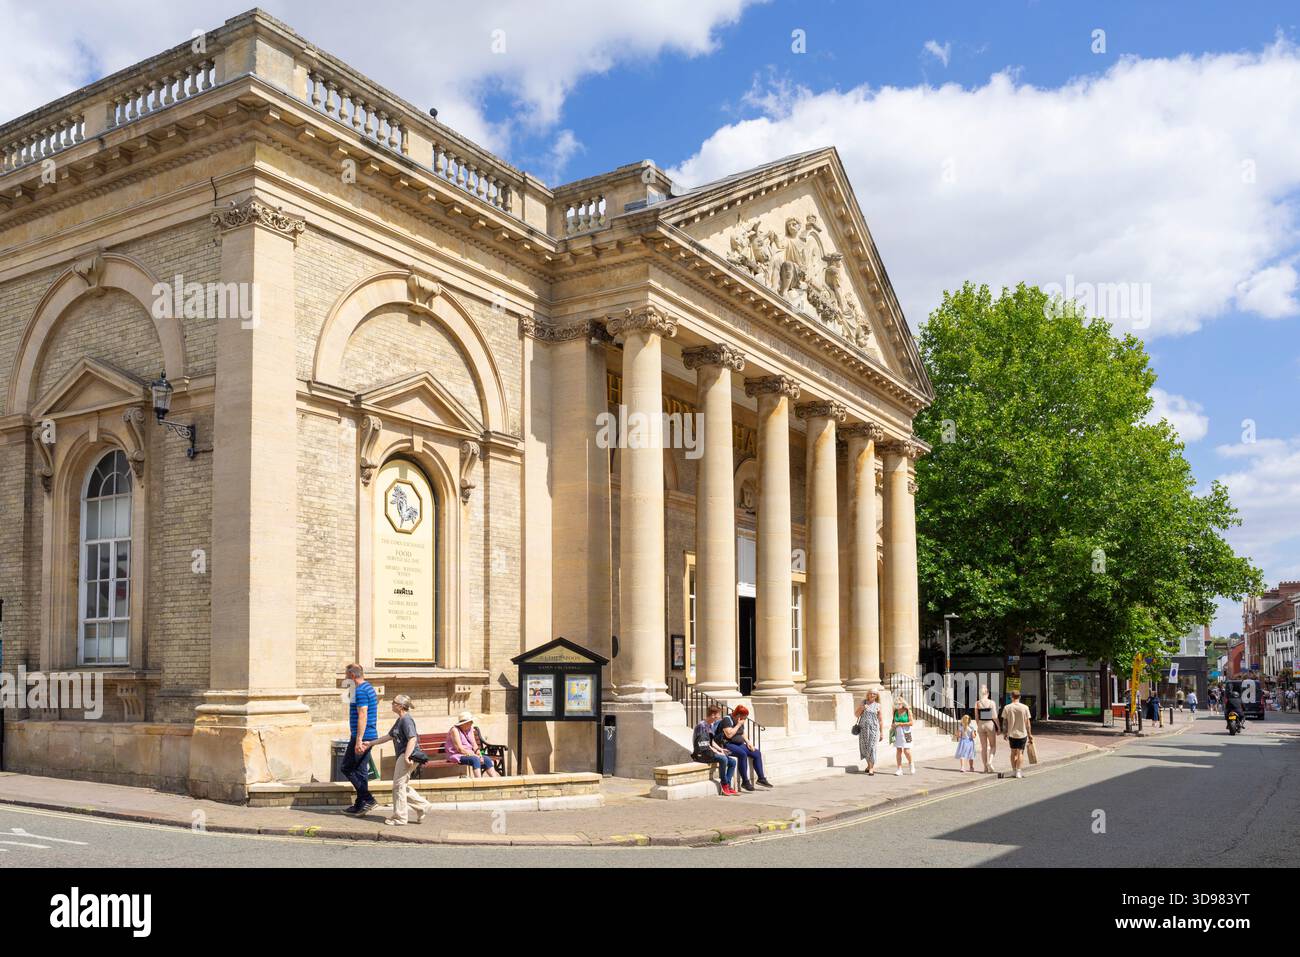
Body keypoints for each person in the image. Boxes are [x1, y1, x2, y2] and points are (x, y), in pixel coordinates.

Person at [361, 694, 432, 826]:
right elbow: (389, 736)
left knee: (398, 786)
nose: (392, 704)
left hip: (407, 755)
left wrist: (406, 756)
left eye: (394, 702)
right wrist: (371, 743)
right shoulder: (400, 720)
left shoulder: (406, 720)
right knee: (401, 785)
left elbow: (413, 738)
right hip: (406, 755)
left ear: (400, 706)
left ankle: (400, 817)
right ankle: (423, 806)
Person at [341, 663, 379, 815]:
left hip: (363, 737)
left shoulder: (361, 691)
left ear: (351, 676)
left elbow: (362, 714)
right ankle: (360, 804)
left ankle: (368, 799)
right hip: (367, 735)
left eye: (346, 675)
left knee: (346, 767)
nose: (344, 678)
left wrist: (358, 740)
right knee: (361, 771)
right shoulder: (368, 687)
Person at [715, 705, 772, 790]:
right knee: (742, 754)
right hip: (727, 744)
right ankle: (745, 782)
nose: (745, 719)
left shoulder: (740, 720)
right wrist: (738, 724)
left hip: (738, 744)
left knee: (756, 753)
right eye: (744, 717)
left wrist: (749, 743)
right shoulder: (727, 720)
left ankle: (761, 778)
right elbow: (729, 735)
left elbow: (742, 733)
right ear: (738, 715)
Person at [692, 705, 739, 795]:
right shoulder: (701, 726)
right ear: (713, 715)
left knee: (732, 762)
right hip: (701, 754)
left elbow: (711, 741)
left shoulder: (710, 725)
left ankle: (728, 785)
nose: (719, 717)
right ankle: (724, 784)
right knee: (723, 759)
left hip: (708, 751)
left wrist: (720, 749)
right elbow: (704, 744)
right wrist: (717, 752)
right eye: (718, 715)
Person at [445, 711, 500, 778]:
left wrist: (479, 754)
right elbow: (459, 749)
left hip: (470, 754)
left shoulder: (470, 729)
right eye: (470, 722)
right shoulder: (454, 730)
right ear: (463, 723)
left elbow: (474, 744)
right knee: (475, 759)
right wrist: (475, 756)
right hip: (457, 755)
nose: (472, 723)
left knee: (487, 759)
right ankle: (478, 783)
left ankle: (495, 781)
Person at [1001, 690, 1032, 778]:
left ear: (1011, 696)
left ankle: (1014, 771)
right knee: (1020, 753)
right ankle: (1019, 772)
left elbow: (1004, 722)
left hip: (1012, 734)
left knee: (1013, 753)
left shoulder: (1007, 707)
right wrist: (1030, 734)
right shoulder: (1025, 707)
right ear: (1020, 697)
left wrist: (1005, 732)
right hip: (1022, 734)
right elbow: (1027, 723)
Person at [854, 688, 885, 775]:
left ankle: (871, 768)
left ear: (876, 696)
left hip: (873, 729)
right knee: (864, 748)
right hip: (863, 729)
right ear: (868, 694)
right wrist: (862, 708)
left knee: (872, 748)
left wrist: (882, 732)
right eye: (871, 693)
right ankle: (869, 765)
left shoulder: (878, 705)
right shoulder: (863, 703)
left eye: (874, 694)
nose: (872, 695)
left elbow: (881, 720)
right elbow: (856, 715)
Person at [975, 685, 1000, 773]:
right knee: (993, 746)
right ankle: (990, 762)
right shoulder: (991, 702)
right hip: (990, 724)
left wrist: (979, 725)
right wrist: (998, 727)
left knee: (984, 747)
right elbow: (994, 716)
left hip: (981, 724)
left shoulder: (977, 703)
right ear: (988, 693)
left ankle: (985, 768)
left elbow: (977, 717)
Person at [891, 697, 915, 775]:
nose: (897, 705)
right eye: (896, 704)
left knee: (906, 751)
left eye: (899, 704)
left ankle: (911, 764)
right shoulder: (895, 711)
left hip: (906, 732)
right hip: (897, 732)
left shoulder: (908, 711)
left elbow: (911, 723)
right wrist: (893, 726)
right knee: (898, 750)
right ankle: (899, 769)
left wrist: (900, 724)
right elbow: (894, 722)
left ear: (902, 704)